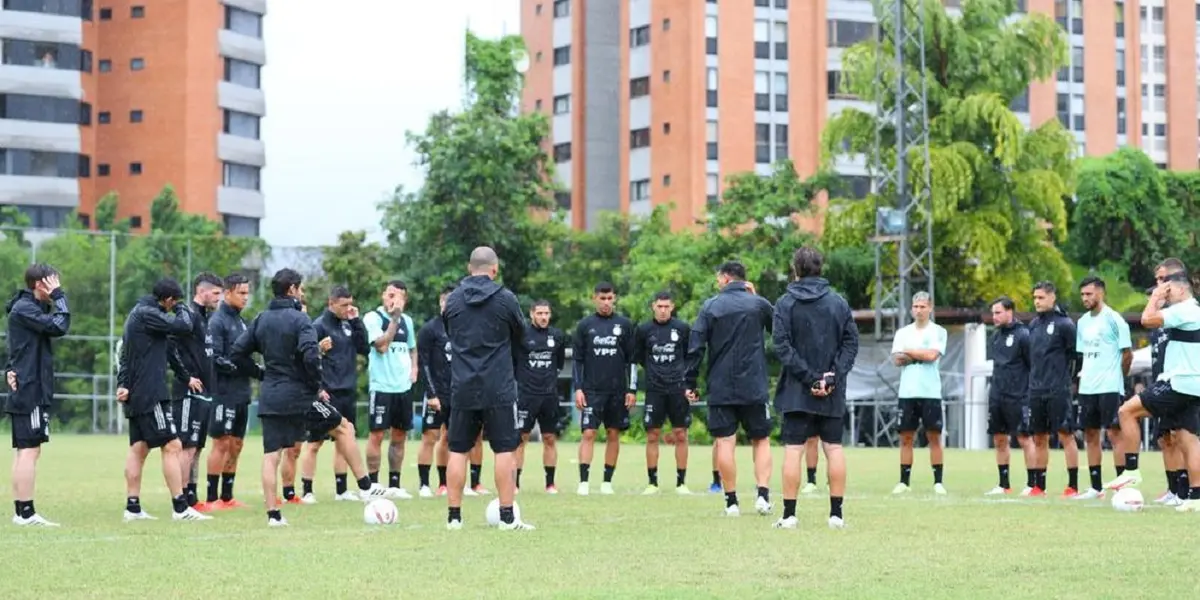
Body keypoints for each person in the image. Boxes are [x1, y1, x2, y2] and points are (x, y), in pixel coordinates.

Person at [231, 269, 385, 526]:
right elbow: (310, 355)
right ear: (291, 289)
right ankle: (366, 488)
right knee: (344, 427)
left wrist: (261, 374)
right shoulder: (300, 319)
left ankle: (273, 515)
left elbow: (237, 353)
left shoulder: (260, 319)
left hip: (271, 395)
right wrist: (314, 385)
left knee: (272, 454)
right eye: (300, 289)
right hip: (300, 395)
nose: (302, 293)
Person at [441, 246, 533, 530]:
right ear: (495, 269)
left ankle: (454, 518)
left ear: (470, 268)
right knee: (505, 448)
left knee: (458, 449)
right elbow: (522, 337)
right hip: (499, 387)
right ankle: (507, 517)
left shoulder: (453, 300)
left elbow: (450, 334)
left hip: (463, 387)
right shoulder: (506, 300)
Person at [771, 247, 858, 530]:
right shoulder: (839, 303)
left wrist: (809, 379)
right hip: (831, 391)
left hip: (797, 390)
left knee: (793, 451)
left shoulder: (784, 303)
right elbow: (850, 344)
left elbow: (782, 348)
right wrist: (831, 377)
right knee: (833, 448)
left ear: (796, 268)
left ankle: (789, 515)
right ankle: (836, 515)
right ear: (821, 268)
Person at [116, 278, 210, 522]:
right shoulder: (149, 313)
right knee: (173, 445)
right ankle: (180, 507)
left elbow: (165, 351)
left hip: (138, 391)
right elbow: (184, 326)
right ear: (168, 300)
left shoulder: (142, 315)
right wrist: (182, 309)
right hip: (151, 393)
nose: (175, 306)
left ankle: (133, 507)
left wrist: (186, 377)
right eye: (174, 302)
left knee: (139, 447)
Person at [686, 261, 775, 516]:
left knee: (725, 441)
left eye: (718, 278)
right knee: (761, 439)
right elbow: (779, 331)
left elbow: (695, 347)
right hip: (754, 384)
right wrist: (758, 300)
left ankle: (731, 502)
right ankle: (763, 496)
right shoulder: (758, 304)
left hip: (721, 385)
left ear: (725, 278)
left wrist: (690, 382)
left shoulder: (711, 306)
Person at [1106, 271, 1200, 512]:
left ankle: (1132, 470)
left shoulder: (1184, 309)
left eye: (1168, 291)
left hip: (1177, 382)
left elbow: (1147, 320)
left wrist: (1155, 297)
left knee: (1126, 411)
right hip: (1193, 384)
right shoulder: (1195, 310)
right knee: (1187, 438)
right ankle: (1196, 497)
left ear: (1180, 290)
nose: (1165, 295)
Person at [5, 264, 69, 526]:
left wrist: (10, 369)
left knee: (26, 450)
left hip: (28, 384)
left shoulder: (27, 308)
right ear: (39, 285)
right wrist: (60, 297)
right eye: (52, 282)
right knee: (29, 450)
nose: (56, 286)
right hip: (30, 387)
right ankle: (27, 512)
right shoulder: (25, 309)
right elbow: (59, 326)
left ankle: (22, 511)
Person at [299, 285, 370, 503]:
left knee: (344, 438)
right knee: (315, 443)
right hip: (327, 393)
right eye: (343, 305)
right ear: (331, 303)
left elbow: (364, 348)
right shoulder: (318, 326)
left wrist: (357, 321)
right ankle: (307, 491)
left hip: (347, 389)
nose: (348, 308)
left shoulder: (349, 325)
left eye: (350, 304)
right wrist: (318, 388)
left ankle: (342, 490)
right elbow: (306, 357)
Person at [572, 282, 637, 496]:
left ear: (615, 299)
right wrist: (578, 388)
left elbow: (632, 361)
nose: (606, 302)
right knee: (589, 433)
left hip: (617, 391)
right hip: (592, 391)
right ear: (594, 299)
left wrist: (632, 389)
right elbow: (577, 361)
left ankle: (607, 482)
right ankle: (583, 482)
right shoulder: (584, 325)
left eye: (610, 298)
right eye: (602, 298)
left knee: (613, 433)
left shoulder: (625, 325)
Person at [202, 273, 259, 510]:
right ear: (228, 293)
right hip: (223, 392)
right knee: (221, 444)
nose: (246, 297)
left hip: (241, 392)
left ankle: (227, 496)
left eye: (247, 292)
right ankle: (212, 498)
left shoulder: (241, 321)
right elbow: (215, 357)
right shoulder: (217, 321)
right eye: (241, 293)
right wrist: (234, 366)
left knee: (236, 444)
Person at [1074, 276, 1132, 500]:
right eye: (1082, 295)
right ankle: (1096, 488)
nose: (1085, 298)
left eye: (1089, 294)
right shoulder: (1082, 322)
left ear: (1101, 293)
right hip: (1087, 387)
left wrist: (1118, 377)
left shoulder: (1114, 319)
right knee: (1090, 435)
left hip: (1109, 386)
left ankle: (1121, 487)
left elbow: (1127, 354)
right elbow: (1084, 355)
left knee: (1114, 434)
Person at [168, 272, 223, 510]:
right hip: (188, 392)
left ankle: (192, 496)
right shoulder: (187, 317)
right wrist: (186, 376)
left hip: (205, 392)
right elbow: (170, 347)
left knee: (197, 446)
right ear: (202, 292)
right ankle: (180, 502)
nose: (219, 298)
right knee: (186, 446)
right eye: (216, 293)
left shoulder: (203, 318)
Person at [361, 280, 418, 500]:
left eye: (399, 296)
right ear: (383, 295)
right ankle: (373, 485)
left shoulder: (408, 322)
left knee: (400, 436)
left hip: (403, 387)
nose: (394, 299)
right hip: (381, 386)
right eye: (391, 294)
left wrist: (414, 368)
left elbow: (413, 348)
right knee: (376, 435)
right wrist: (394, 318)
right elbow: (382, 347)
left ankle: (395, 484)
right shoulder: (372, 318)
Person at [633, 291, 693, 495]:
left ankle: (681, 483)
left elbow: (689, 357)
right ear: (653, 307)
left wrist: (688, 384)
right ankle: (652, 483)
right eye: (660, 306)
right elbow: (640, 357)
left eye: (667, 306)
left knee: (681, 434)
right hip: (654, 389)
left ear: (672, 307)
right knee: (652, 434)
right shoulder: (644, 330)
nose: (663, 310)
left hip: (677, 389)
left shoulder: (682, 328)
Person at [891, 291, 949, 495]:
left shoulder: (938, 331)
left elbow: (932, 355)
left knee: (934, 437)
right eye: (916, 307)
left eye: (923, 306)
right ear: (911, 309)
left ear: (930, 308)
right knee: (906, 438)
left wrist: (909, 352)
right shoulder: (902, 333)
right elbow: (897, 359)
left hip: (930, 392)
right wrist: (918, 354)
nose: (919, 310)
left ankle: (938, 481)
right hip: (907, 393)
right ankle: (904, 481)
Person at [1026, 281, 1080, 498]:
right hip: (1036, 390)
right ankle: (1039, 486)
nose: (1037, 302)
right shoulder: (1032, 325)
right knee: (1039, 437)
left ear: (1052, 298)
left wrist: (1069, 380)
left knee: (1066, 435)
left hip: (1058, 389)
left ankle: (1073, 486)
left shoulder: (1065, 324)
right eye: (1035, 298)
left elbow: (1077, 356)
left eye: (1041, 297)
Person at [1145, 260, 1190, 506]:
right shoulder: (1164, 315)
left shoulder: (1187, 312)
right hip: (1161, 384)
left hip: (1182, 384)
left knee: (1183, 436)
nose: (1159, 285)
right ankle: (1174, 489)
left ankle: (1185, 490)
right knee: (1165, 438)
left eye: (1163, 279)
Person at [983, 296, 1037, 496]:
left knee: (1024, 438)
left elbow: (1032, 366)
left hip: (1019, 396)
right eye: (993, 313)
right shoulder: (995, 336)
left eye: (998, 312)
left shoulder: (1024, 335)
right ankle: (1003, 484)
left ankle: (1032, 484)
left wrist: (1029, 392)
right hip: (997, 395)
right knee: (999, 439)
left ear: (1009, 312)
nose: (994, 317)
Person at [514, 299, 567, 494]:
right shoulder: (521, 335)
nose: (543, 317)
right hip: (526, 395)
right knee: (521, 439)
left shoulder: (557, 336)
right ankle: (515, 483)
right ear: (532, 314)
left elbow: (559, 363)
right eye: (539, 313)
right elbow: (513, 364)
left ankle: (550, 484)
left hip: (549, 396)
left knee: (550, 438)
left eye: (546, 313)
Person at [416, 284, 456, 497]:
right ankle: (424, 484)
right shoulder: (430, 329)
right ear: (440, 303)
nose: (447, 306)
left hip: (457, 393)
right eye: (444, 301)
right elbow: (423, 363)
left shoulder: (462, 327)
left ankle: (444, 483)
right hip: (436, 393)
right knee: (430, 437)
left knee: (451, 439)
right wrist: (431, 394)